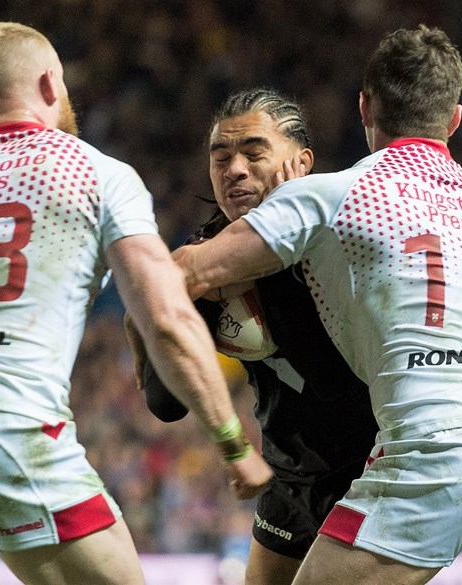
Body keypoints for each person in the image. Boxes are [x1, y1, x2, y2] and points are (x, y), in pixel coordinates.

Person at [170, 25, 462, 585]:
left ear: (364, 106)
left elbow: (184, 274)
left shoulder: (330, 193)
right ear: (455, 119)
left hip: (433, 448)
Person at [0, 22, 271, 585]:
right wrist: (233, 442)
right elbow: (165, 317)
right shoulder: (97, 172)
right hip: (9, 417)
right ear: (52, 83)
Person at [138, 88, 378, 585]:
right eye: (221, 157)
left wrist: (274, 270)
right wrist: (201, 294)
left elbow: (332, 379)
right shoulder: (204, 260)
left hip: (371, 471)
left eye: (253, 152)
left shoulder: (342, 237)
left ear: (301, 162)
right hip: (288, 476)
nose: (235, 169)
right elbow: (166, 403)